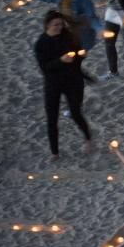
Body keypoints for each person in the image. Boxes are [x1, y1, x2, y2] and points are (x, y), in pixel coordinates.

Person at [33, 11, 92, 159]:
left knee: (76, 112)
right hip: (53, 83)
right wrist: (61, 60)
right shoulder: (41, 43)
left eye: (61, 24)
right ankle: (55, 152)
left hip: (73, 81)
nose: (59, 27)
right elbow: (44, 67)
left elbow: (78, 55)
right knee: (52, 118)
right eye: (56, 25)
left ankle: (88, 138)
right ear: (47, 25)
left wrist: (81, 55)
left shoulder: (68, 36)